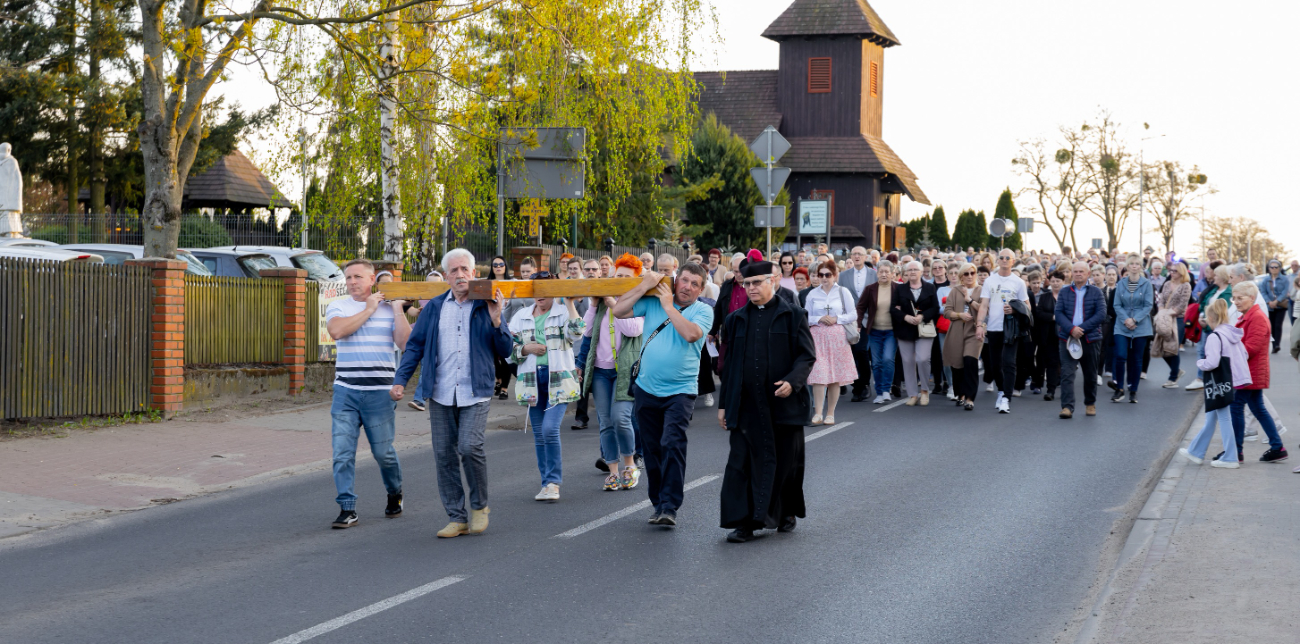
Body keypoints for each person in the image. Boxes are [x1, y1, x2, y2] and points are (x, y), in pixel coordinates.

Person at [391, 248, 511, 538]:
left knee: (469, 447)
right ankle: (456, 517)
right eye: (453, 271)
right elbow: (415, 346)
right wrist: (400, 379)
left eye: (464, 270)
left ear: (474, 274)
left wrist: (497, 320)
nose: (460, 275)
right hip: (441, 391)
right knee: (444, 455)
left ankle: (479, 506)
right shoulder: (434, 307)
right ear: (446, 276)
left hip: (476, 389)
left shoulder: (486, 306)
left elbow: (506, 350)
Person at [716, 260, 816, 543]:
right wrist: (724, 405)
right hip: (747, 405)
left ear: (773, 281)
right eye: (746, 284)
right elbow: (731, 366)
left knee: (785, 463)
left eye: (756, 282)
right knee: (740, 464)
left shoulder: (794, 315)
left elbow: (806, 356)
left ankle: (785, 512)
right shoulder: (735, 320)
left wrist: (792, 382)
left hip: (783, 404)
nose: (751, 289)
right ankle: (743, 523)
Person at [613, 263, 713, 527]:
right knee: (652, 449)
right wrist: (644, 286)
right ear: (676, 280)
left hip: (680, 392)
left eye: (695, 284)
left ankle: (669, 506)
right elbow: (619, 310)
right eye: (685, 281)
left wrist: (669, 306)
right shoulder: (653, 300)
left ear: (701, 289)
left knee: (672, 443)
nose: (688, 287)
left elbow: (691, 334)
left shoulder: (703, 310)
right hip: (646, 388)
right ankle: (657, 503)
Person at [323, 259, 412, 529]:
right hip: (346, 392)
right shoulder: (339, 306)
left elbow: (406, 343)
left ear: (372, 280)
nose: (352, 282)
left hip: (379, 394)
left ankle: (395, 492)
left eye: (358, 277)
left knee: (383, 452)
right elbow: (337, 331)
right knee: (342, 453)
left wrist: (396, 310)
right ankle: (347, 507)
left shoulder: (389, 309)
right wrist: (369, 309)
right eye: (348, 277)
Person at [508, 272, 585, 502]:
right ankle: (546, 484)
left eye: (546, 289)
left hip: (558, 380)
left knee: (549, 430)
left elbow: (577, 333)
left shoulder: (562, 313)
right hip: (531, 380)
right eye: (536, 289)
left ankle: (553, 483)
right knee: (539, 436)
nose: (540, 294)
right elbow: (507, 352)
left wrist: (570, 302)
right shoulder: (521, 316)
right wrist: (526, 349)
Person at [580, 254, 645, 491]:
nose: (620, 280)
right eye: (618, 275)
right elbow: (585, 332)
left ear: (635, 281)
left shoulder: (638, 301)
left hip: (625, 372)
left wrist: (612, 302)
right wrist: (595, 304)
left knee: (621, 418)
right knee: (605, 422)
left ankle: (630, 465)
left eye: (627, 278)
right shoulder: (601, 299)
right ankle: (613, 471)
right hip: (601, 371)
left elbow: (633, 329)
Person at [1178, 299, 1246, 468]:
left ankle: (1230, 457)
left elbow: (1212, 362)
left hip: (1222, 383)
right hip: (1235, 379)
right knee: (1211, 417)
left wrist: (1200, 363)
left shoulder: (1215, 336)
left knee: (1223, 418)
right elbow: (1244, 354)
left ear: (1209, 317)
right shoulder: (1232, 332)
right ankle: (1196, 452)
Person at [1228, 281, 1288, 463]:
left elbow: (1250, 349)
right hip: (1248, 371)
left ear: (1252, 298)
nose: (1236, 302)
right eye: (1234, 298)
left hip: (1250, 372)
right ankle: (1277, 447)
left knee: (1236, 406)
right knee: (1258, 408)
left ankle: (1236, 452)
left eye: (1240, 298)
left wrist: (1227, 354)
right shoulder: (1247, 316)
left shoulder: (1257, 318)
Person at [803, 259, 859, 423]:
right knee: (818, 374)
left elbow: (853, 314)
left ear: (835, 275)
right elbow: (805, 316)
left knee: (834, 377)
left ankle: (830, 413)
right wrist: (819, 318)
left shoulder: (843, 292)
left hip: (838, 338)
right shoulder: (812, 294)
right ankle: (818, 412)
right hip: (817, 338)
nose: (824, 278)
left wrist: (836, 318)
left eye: (828, 275)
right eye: (821, 275)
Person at [976, 249, 1030, 414]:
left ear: (1013, 261)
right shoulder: (990, 281)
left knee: (1009, 362)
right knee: (995, 365)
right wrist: (979, 325)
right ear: (997, 260)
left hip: (1011, 329)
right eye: (1002, 257)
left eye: (1008, 258)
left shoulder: (1018, 282)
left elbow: (1027, 307)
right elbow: (984, 305)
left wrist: (1013, 310)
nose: (1005, 260)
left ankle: (1006, 398)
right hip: (993, 328)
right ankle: (1001, 391)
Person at [1055, 262, 1106, 418]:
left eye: (1081, 271)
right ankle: (1067, 407)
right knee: (1067, 373)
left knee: (1090, 373)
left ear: (1088, 273)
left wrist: (1081, 328)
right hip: (1068, 338)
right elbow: (1059, 313)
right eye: (1075, 271)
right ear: (1071, 273)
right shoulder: (1064, 292)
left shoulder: (1096, 292)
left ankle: (1090, 403)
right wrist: (1072, 329)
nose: (1078, 274)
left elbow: (1101, 314)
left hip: (1090, 338)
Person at [892, 260, 940, 406]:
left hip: (924, 327)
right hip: (905, 329)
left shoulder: (930, 288)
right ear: (906, 272)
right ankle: (913, 394)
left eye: (915, 269)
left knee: (922, 358)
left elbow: (935, 308)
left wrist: (922, 316)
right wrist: (905, 316)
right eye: (909, 270)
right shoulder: (900, 289)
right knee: (907, 361)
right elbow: (893, 308)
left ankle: (925, 391)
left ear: (921, 272)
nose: (912, 272)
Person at [1109, 256, 1154, 403]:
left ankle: (1133, 389)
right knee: (1121, 355)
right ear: (1127, 267)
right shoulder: (1121, 284)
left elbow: (1148, 305)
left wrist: (1135, 319)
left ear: (1141, 267)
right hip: (1122, 325)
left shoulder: (1147, 284)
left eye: (1137, 264)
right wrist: (1126, 320)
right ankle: (1120, 388)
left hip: (1141, 325)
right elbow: (1116, 305)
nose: (1134, 266)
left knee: (1136, 359)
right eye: (1131, 264)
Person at [856, 260, 897, 404]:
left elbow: (906, 306)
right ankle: (879, 392)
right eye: (881, 271)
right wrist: (858, 323)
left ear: (893, 273)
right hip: (874, 331)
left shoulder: (898, 288)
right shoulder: (870, 289)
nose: (884, 274)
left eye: (887, 272)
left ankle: (886, 389)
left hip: (892, 331)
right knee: (877, 363)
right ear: (877, 273)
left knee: (887, 359)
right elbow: (860, 307)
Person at [1186, 264, 1232, 390]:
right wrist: (1202, 316)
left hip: (1217, 328)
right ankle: (1201, 378)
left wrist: (1209, 319)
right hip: (1206, 326)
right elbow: (1204, 304)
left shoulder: (1228, 292)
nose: (1213, 276)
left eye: (1216, 274)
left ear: (1222, 277)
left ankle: (1208, 379)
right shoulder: (1213, 289)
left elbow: (1223, 312)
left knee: (1214, 355)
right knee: (1202, 351)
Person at [943, 263, 982, 410]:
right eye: (966, 274)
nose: (970, 276)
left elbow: (985, 309)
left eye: (972, 273)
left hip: (974, 331)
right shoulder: (955, 291)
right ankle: (960, 394)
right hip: (957, 330)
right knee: (957, 365)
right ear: (961, 276)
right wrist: (959, 315)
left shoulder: (981, 290)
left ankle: (970, 398)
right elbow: (947, 312)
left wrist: (969, 300)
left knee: (970, 362)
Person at [840, 246, 876, 402]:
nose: (856, 256)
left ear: (865, 256)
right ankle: (856, 386)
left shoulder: (873, 274)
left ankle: (865, 383)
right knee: (850, 353)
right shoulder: (843, 275)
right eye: (854, 254)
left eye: (859, 254)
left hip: (867, 318)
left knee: (861, 351)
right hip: (849, 320)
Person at [1155, 262, 1192, 388]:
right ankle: (1177, 371)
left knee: (1173, 347)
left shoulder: (1185, 285)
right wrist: (1161, 312)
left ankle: (1173, 378)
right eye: (1171, 270)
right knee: (1161, 347)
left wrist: (1169, 313)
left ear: (1181, 272)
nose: (1171, 273)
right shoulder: (1166, 284)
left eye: (1175, 271)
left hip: (1178, 319)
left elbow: (1182, 304)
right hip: (1164, 317)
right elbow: (1161, 300)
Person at [1032, 270, 1063, 400]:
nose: (1055, 284)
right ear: (1049, 282)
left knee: (1064, 363)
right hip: (1048, 334)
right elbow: (1038, 313)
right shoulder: (1045, 297)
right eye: (1053, 281)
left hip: (1065, 334)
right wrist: (1053, 317)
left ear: (1063, 282)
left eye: (1058, 281)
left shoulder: (1068, 296)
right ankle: (1050, 390)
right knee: (1051, 362)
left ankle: (1064, 386)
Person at [1260, 259, 1291, 353]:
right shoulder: (1265, 280)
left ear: (1279, 268)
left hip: (1280, 306)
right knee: (1271, 325)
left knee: (1278, 325)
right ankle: (1273, 344)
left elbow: (1285, 292)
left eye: (1275, 267)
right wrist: (1269, 302)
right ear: (1269, 268)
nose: (1273, 269)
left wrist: (1277, 301)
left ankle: (1277, 344)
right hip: (1270, 306)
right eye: (1271, 267)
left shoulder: (1284, 279)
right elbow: (1263, 291)